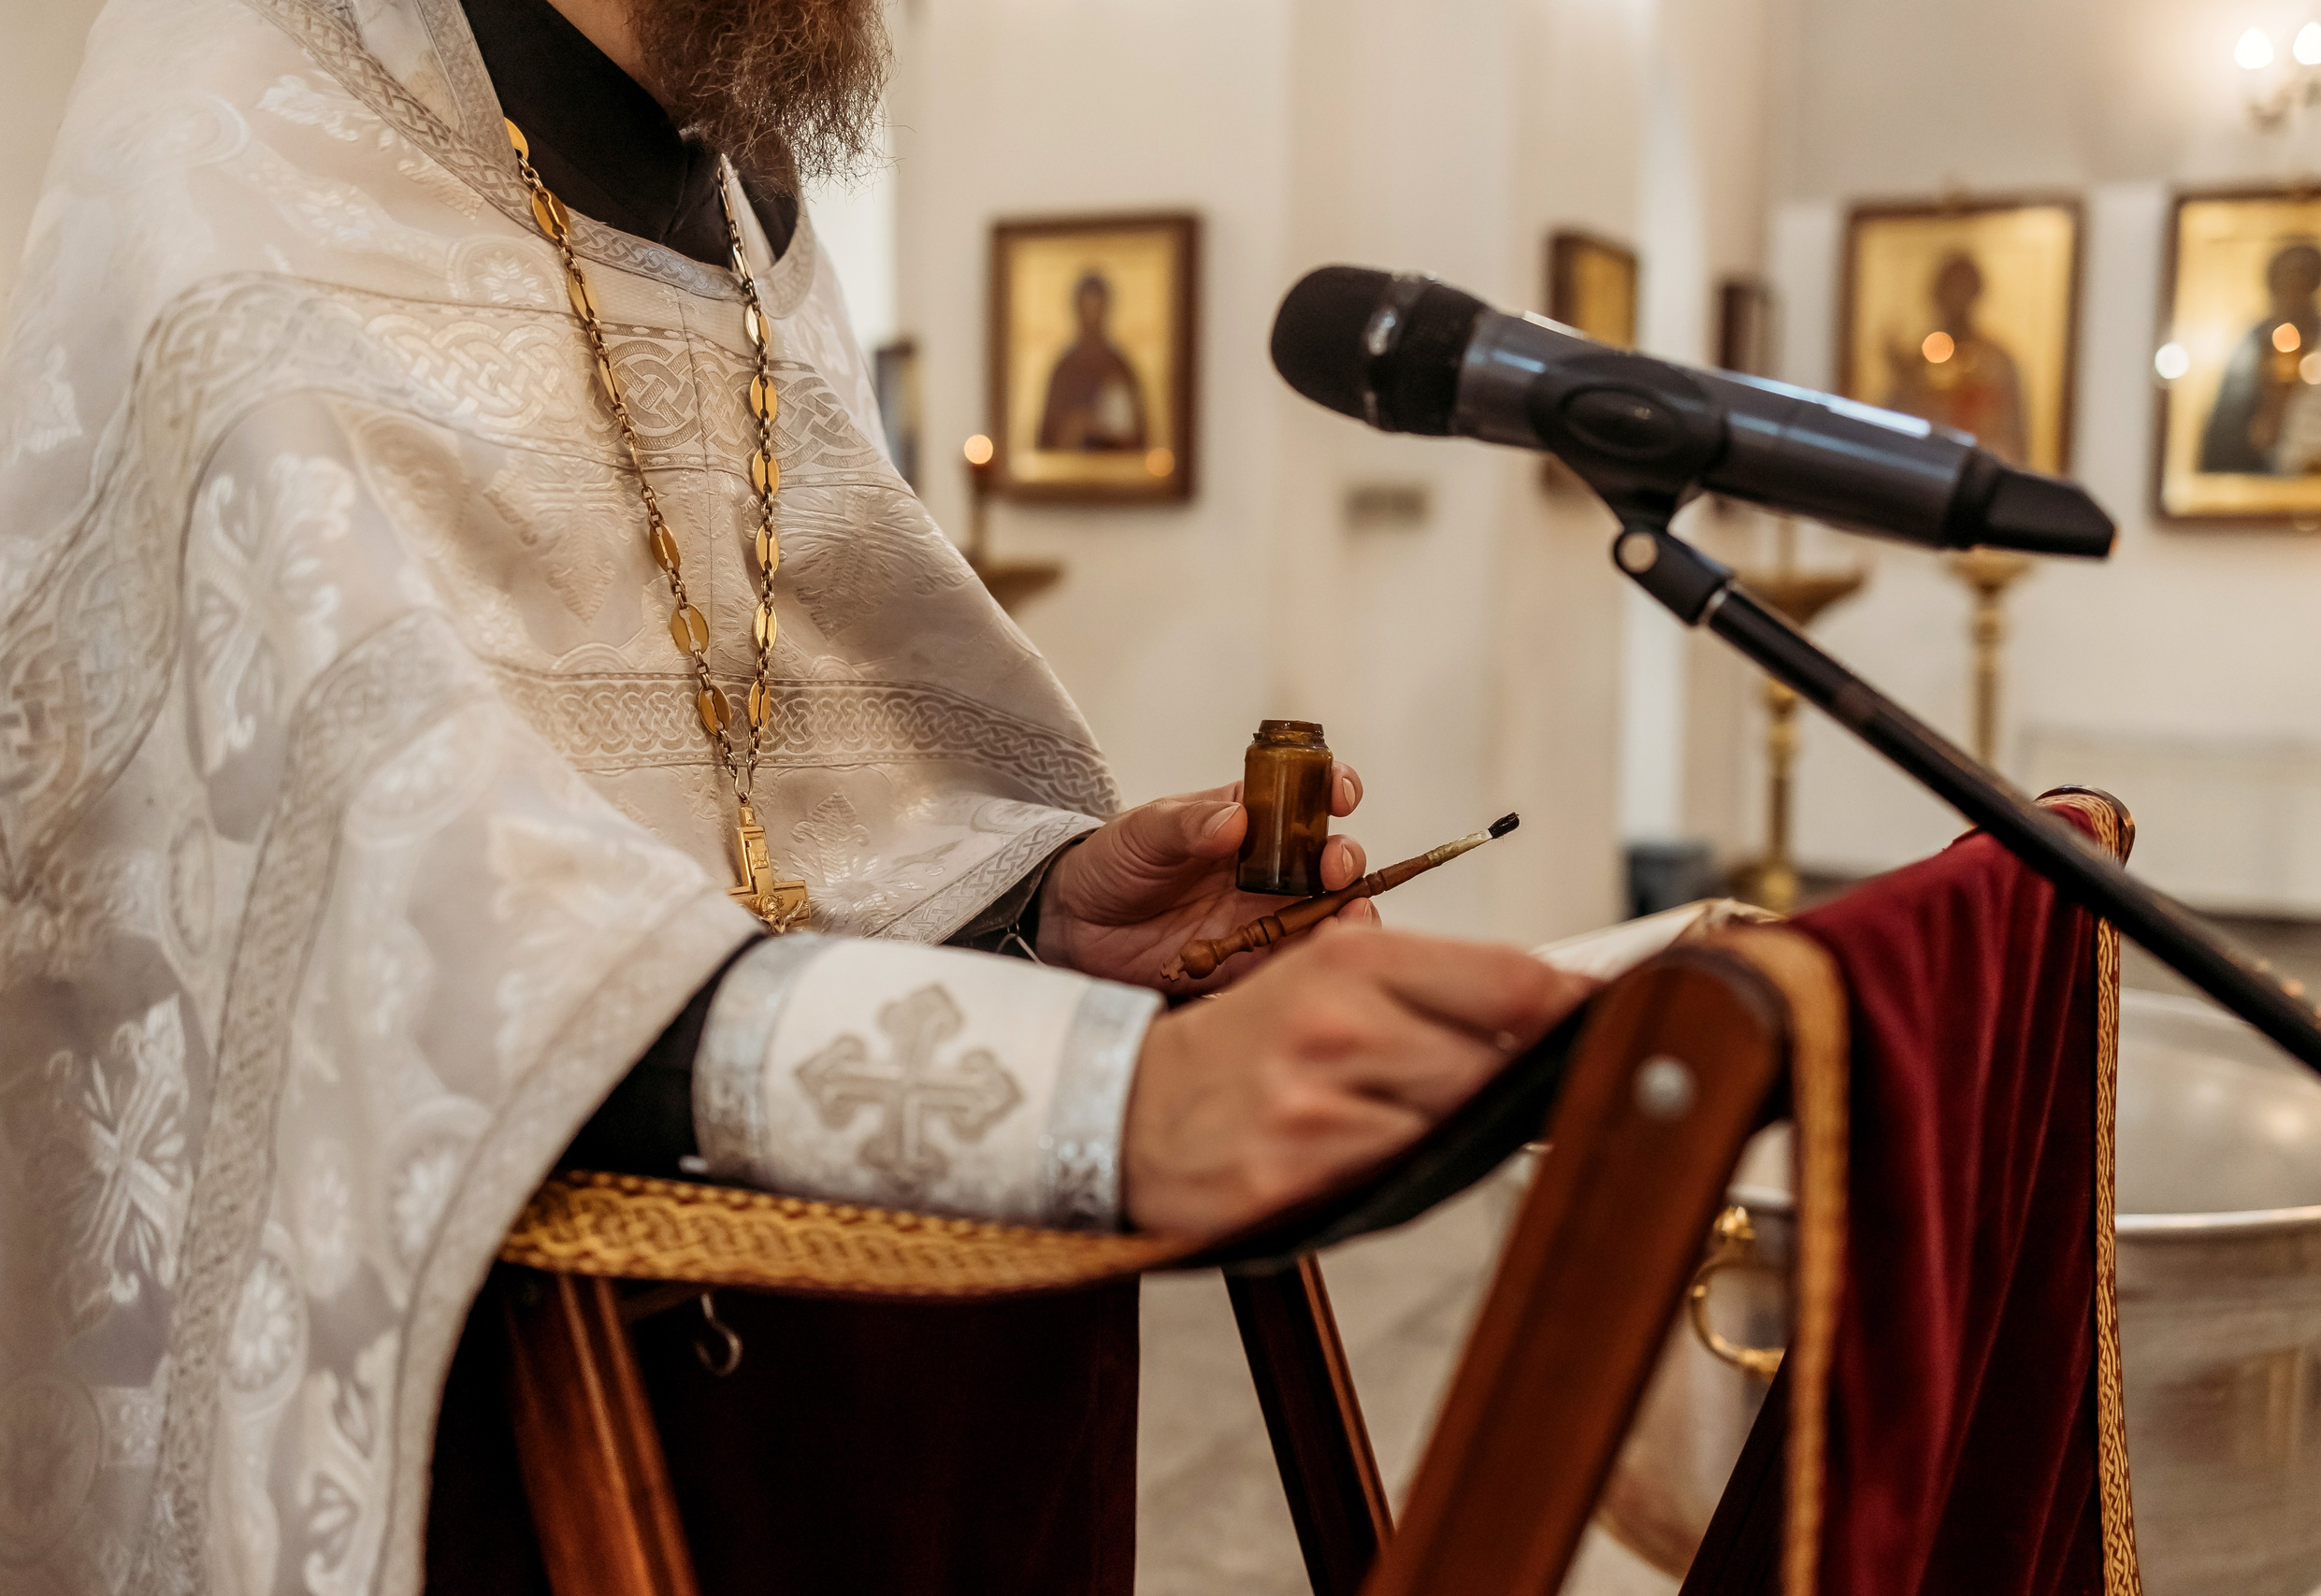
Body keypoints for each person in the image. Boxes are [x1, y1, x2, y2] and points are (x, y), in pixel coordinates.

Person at [0, 0, 1586, 1589]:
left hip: (861, 1361)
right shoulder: (235, 144)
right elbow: (382, 896)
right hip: (487, 1392)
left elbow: (773, 787)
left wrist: (1035, 915)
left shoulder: (743, 208)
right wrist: (1078, 1099)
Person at [2198, 238, 2321, 477]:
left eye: (2304, 278)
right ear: (2272, 283)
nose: (2295, 288)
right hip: (2260, 477)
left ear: (2318, 283)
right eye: (2287, 278)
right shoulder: (2252, 343)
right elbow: (2226, 431)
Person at [1880, 250, 2030, 466]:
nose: (1955, 297)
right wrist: (1905, 381)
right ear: (1936, 293)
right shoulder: (1916, 360)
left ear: (1976, 293)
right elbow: (1893, 431)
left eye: (1963, 288)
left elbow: (2012, 442)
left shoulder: (1998, 361)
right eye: (1949, 288)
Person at [1035, 271, 1149, 451]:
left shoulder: (1118, 365)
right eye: (1086, 309)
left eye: (1097, 309)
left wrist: (1103, 425)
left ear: (1106, 311)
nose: (1091, 318)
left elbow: (1140, 438)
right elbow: (1045, 440)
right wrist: (1072, 427)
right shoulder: (1065, 367)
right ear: (1077, 311)